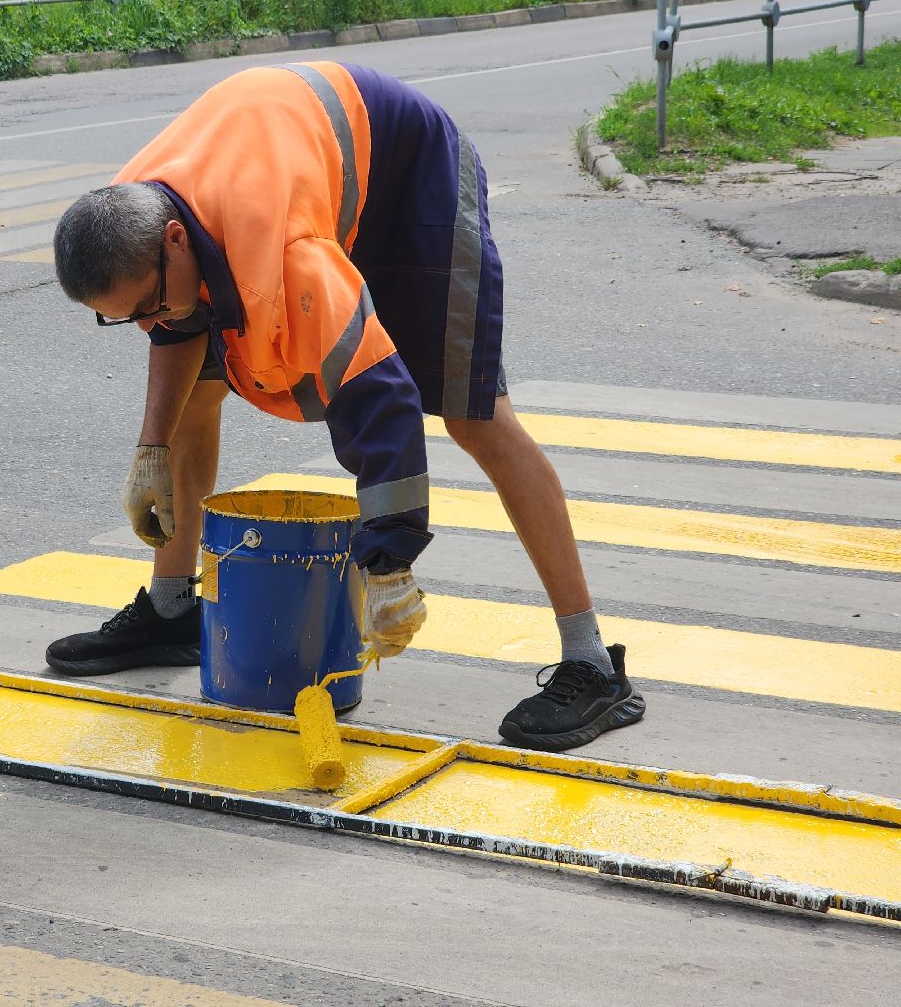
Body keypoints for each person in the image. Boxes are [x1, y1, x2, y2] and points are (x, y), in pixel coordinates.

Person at [48, 62, 646, 751]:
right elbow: (174, 328)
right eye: (125, 317)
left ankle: (593, 665)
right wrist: (150, 447)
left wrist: (389, 564)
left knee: (474, 415)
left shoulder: (282, 250)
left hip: (413, 173)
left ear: (175, 240)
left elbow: (379, 398)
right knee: (192, 400)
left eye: (149, 305)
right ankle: (173, 607)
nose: (148, 323)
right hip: (299, 162)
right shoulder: (133, 213)